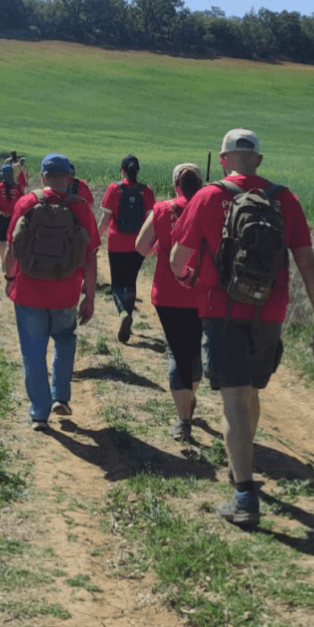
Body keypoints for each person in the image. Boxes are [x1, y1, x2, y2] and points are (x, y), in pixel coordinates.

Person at [169, 129, 314, 528]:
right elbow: (308, 264)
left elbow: (177, 258)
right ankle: (241, 461)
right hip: (270, 312)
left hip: (221, 310)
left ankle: (244, 494)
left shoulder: (208, 196)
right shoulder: (284, 199)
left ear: (224, 159)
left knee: (233, 398)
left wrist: (192, 281)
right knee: (251, 393)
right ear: (258, 160)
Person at [4, 153, 100, 431]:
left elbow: (13, 247)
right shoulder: (80, 207)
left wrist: (10, 277)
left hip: (28, 291)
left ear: (43, 176)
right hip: (66, 292)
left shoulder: (27, 202)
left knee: (32, 352)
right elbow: (91, 255)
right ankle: (61, 397)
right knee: (64, 339)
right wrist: (89, 295)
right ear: (68, 178)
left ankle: (39, 413)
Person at [135, 163, 206, 442]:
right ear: (200, 183)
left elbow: (141, 246)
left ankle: (183, 418)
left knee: (178, 352)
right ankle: (188, 400)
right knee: (194, 352)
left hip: (167, 292)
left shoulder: (162, 210)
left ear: (176, 184)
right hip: (202, 292)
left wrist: (160, 249)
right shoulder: (208, 207)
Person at [98, 155, 155, 343]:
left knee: (116, 283)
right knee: (131, 281)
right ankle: (129, 315)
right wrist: (152, 243)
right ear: (137, 170)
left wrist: (96, 238)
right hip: (137, 244)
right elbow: (151, 220)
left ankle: (123, 313)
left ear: (122, 170)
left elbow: (105, 220)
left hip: (116, 243)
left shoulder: (114, 189)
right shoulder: (146, 191)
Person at [0, 162, 25, 271]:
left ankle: (3, 264)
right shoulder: (18, 188)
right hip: (15, 219)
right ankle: (13, 264)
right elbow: (22, 202)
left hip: (1, 218)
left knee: (3, 241)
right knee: (13, 242)